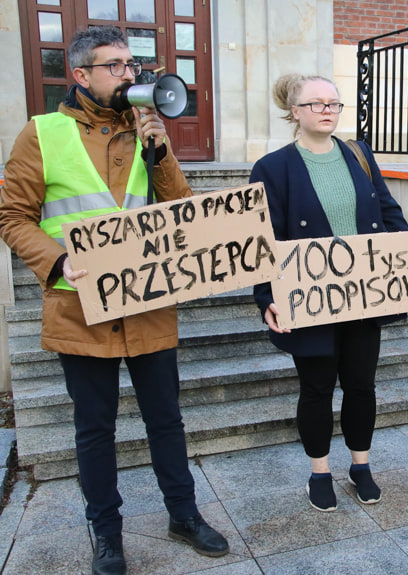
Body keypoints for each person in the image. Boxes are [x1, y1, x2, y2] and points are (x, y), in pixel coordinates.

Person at [0, 26, 228, 575]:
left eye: (133, 65)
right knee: (94, 429)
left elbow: (182, 210)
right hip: (79, 308)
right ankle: (107, 533)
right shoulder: (43, 133)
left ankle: (184, 514)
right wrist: (56, 261)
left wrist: (160, 153)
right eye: (117, 66)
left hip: (147, 302)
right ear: (81, 75)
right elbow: (12, 215)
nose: (131, 75)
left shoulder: (148, 131)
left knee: (166, 420)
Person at [250, 73, 408, 512]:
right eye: (316, 103)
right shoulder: (273, 168)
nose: (327, 110)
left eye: (334, 103)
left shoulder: (359, 156)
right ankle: (320, 471)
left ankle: (360, 466)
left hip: (365, 297)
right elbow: (262, 241)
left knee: (362, 386)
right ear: (295, 112)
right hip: (309, 300)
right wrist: (267, 298)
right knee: (317, 388)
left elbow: (388, 212)